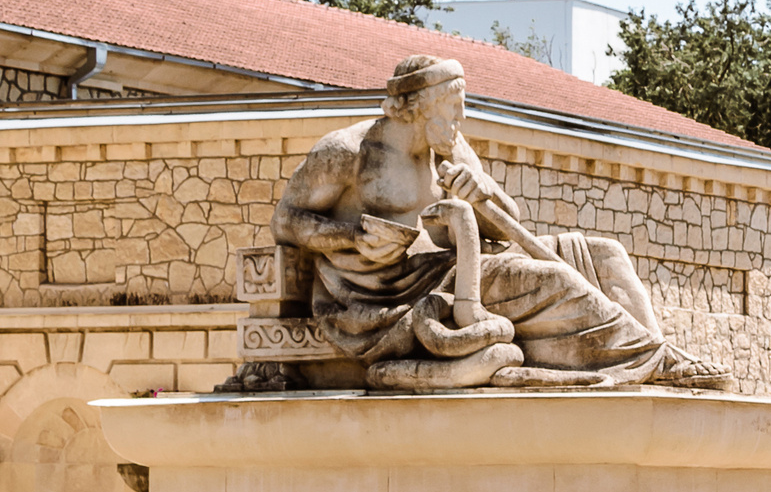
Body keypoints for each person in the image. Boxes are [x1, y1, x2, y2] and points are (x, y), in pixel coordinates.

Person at [270, 55, 725, 388]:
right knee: (548, 279)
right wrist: (350, 236)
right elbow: (286, 221)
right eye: (453, 107)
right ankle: (646, 359)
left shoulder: (449, 146)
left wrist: (484, 192)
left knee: (606, 254)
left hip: (455, 263)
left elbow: (506, 222)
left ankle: (659, 358)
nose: (460, 119)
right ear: (420, 107)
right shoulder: (347, 152)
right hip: (389, 291)